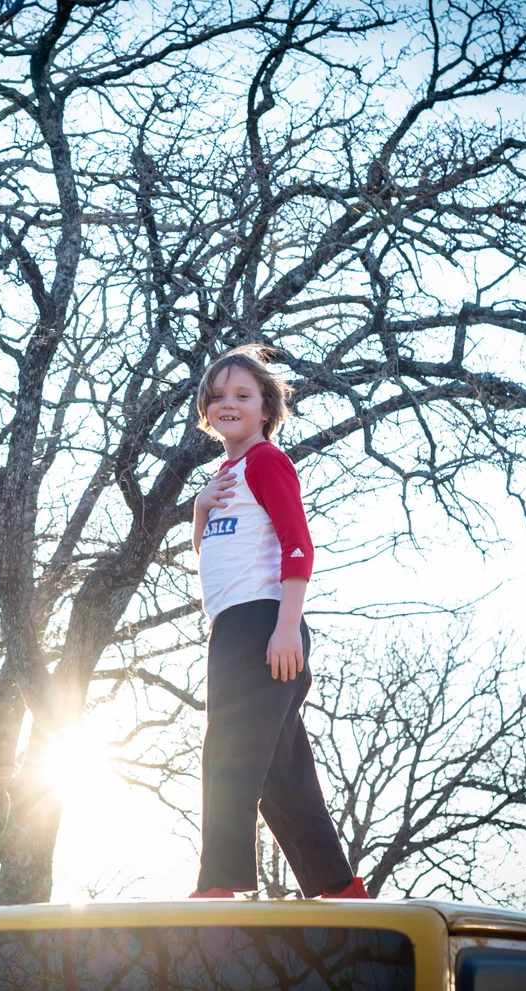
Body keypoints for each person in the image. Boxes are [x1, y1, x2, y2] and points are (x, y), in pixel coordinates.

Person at [188, 344, 369, 900]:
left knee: (228, 753)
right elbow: (211, 555)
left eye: (242, 395)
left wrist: (287, 627)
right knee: (281, 773)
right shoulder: (226, 475)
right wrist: (200, 508)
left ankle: (218, 884)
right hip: (232, 628)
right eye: (218, 396)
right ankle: (338, 887)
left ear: (266, 408)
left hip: (264, 624)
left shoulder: (267, 461)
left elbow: (298, 546)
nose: (228, 404)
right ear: (206, 410)